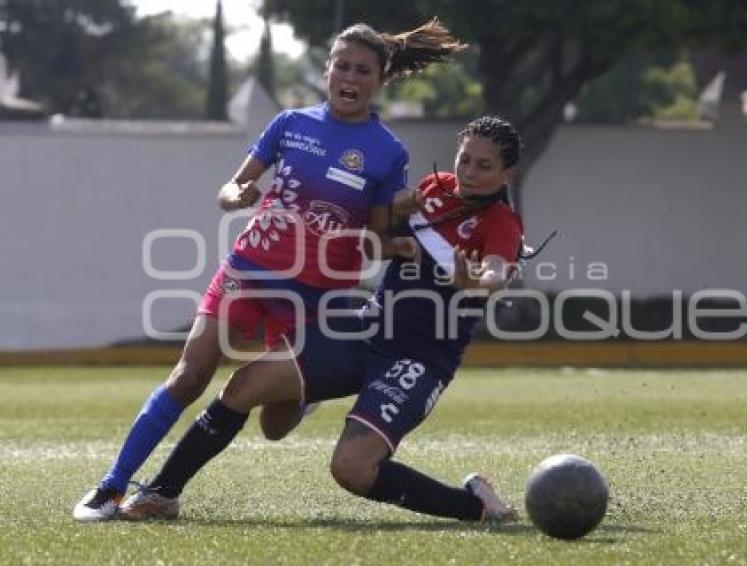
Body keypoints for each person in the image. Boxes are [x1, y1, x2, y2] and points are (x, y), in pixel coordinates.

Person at [73, 19, 466, 522]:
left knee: (274, 426)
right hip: (248, 269)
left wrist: (408, 245)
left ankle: (300, 400)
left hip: (315, 295)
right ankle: (111, 486)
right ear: (327, 70)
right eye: (341, 66)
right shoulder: (289, 124)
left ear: (381, 79)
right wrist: (237, 195)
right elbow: (231, 188)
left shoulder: (389, 151)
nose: (349, 77)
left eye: (362, 70)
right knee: (188, 377)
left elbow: (374, 236)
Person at [118, 116, 526, 524]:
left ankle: (476, 507)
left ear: (508, 173)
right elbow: (380, 237)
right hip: (367, 329)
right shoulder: (435, 189)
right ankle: (162, 494)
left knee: (351, 469)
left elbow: (494, 273)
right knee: (243, 386)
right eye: (464, 160)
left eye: (484, 166)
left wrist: (477, 281)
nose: (469, 173)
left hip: (417, 361)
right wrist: (393, 211)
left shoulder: (501, 223)